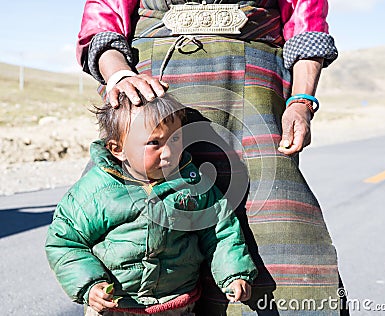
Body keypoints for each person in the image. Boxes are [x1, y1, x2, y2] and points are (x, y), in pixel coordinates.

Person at [76, 1, 348, 314]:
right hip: (150, 92)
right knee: (129, 220)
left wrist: (302, 99)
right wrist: (119, 75)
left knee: (273, 233)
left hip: (253, 88)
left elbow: (306, 17)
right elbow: (104, 17)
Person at [45, 93, 258, 316]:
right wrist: (90, 286)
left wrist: (234, 274)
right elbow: (64, 242)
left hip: (177, 304)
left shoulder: (193, 183)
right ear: (118, 149)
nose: (168, 153)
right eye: (154, 143)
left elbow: (219, 230)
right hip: (115, 306)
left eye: (175, 139)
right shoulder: (95, 192)